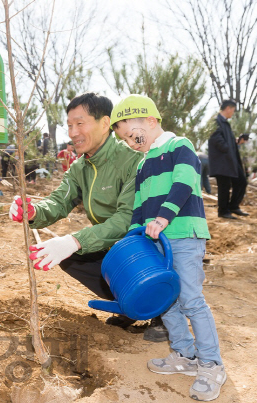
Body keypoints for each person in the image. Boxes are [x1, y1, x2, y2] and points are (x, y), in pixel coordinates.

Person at [9, 92, 168, 342]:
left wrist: (74, 240)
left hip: (148, 240)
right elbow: (60, 201)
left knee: (87, 246)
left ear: (105, 123)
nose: (72, 133)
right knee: (71, 257)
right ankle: (129, 302)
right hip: (115, 245)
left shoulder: (133, 159)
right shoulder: (80, 167)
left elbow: (126, 218)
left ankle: (162, 313)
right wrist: (33, 211)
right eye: (69, 125)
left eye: (80, 124)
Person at [111, 94, 225, 402]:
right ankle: (184, 356)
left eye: (132, 135)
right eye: (125, 140)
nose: (131, 143)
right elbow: (138, 206)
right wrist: (134, 235)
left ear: (149, 120)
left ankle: (211, 364)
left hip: (183, 235)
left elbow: (185, 183)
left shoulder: (179, 146)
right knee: (168, 300)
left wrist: (162, 217)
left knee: (190, 298)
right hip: (155, 241)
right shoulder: (143, 163)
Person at [208, 100, 248, 219]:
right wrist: (226, 147)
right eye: (233, 110)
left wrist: (236, 142)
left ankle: (233, 206)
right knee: (224, 186)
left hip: (230, 160)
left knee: (241, 181)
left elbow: (225, 139)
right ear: (229, 108)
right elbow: (216, 138)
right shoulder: (215, 121)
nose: (233, 113)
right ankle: (223, 211)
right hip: (222, 161)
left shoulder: (225, 123)